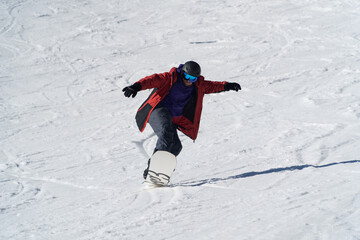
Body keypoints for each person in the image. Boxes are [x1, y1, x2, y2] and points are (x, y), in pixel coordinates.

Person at [123, 61, 241, 179]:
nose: (189, 80)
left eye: (193, 79)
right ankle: (153, 169)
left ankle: (155, 170)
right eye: (187, 76)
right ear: (182, 73)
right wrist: (136, 87)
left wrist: (228, 86)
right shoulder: (169, 78)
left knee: (176, 146)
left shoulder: (198, 85)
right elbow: (152, 80)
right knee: (166, 132)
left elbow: (213, 86)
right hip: (158, 110)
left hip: (172, 118)